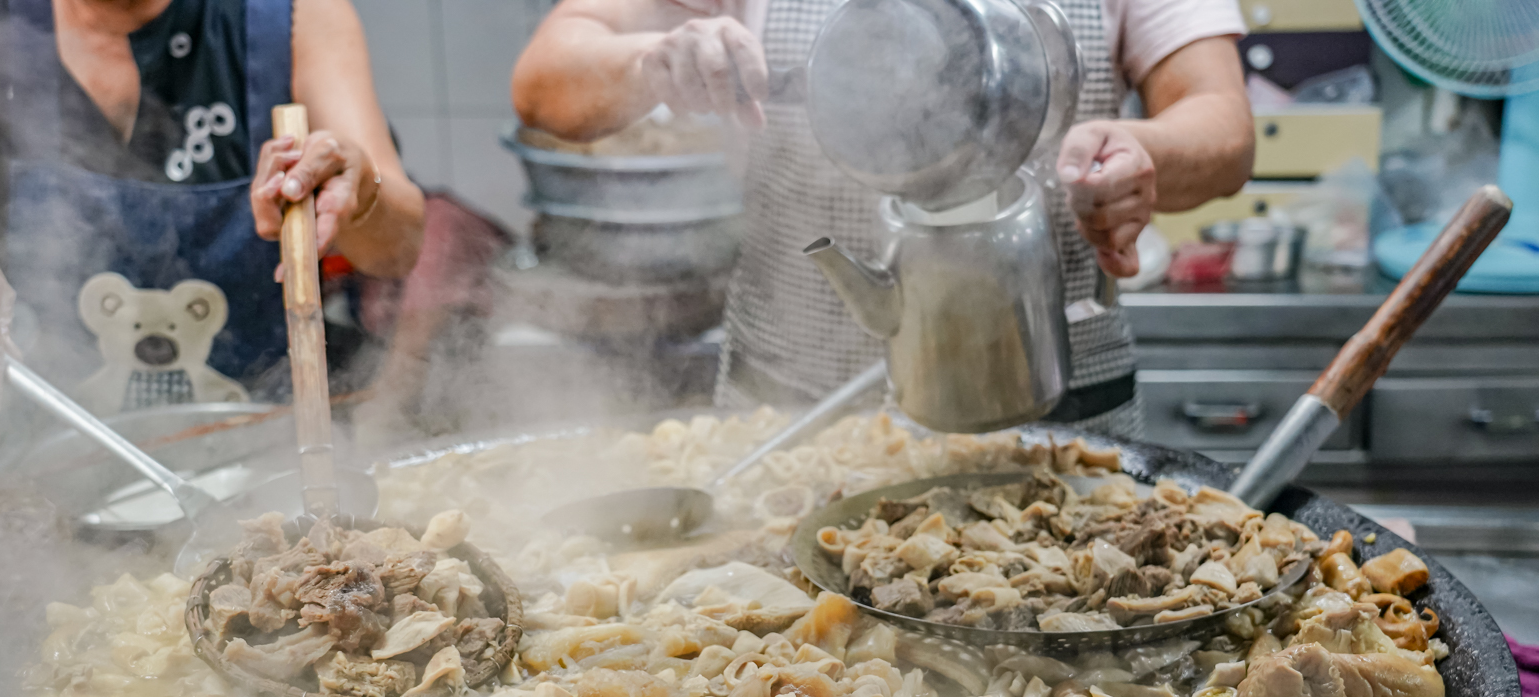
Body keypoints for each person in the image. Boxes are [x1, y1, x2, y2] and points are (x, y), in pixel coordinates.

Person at [513, 0, 1253, 434]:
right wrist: (653, 58)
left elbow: (1223, 124)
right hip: (799, 423)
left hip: (1063, 422)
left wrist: (1142, 150)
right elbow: (547, 82)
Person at [0, 0, 424, 414]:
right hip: (40, 459)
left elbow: (396, 251)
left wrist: (359, 193)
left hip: (257, 449)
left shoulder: (291, 15)